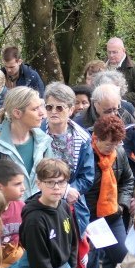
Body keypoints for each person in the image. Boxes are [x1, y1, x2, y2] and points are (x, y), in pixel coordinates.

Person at [86, 114, 135, 268]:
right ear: (96, 137)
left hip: (111, 214)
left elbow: (128, 180)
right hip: (87, 214)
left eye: (117, 143)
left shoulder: (120, 153)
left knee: (122, 259)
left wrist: (122, 204)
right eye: (109, 143)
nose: (112, 148)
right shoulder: (85, 152)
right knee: (74, 261)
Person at [0, 86, 51, 198]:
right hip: (5, 213)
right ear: (17, 113)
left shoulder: (43, 141)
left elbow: (50, 179)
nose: (42, 113)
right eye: (35, 109)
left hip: (38, 213)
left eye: (41, 107)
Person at [41, 82, 93, 233]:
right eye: (49, 107)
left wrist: (68, 190)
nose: (53, 112)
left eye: (59, 107)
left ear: (70, 110)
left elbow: (87, 176)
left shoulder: (82, 138)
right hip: (42, 202)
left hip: (72, 203)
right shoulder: (36, 134)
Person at [106, 37, 135, 101]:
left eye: (115, 52)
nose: (111, 55)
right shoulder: (101, 66)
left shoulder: (134, 68)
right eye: (109, 52)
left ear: (123, 50)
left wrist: (119, 98)